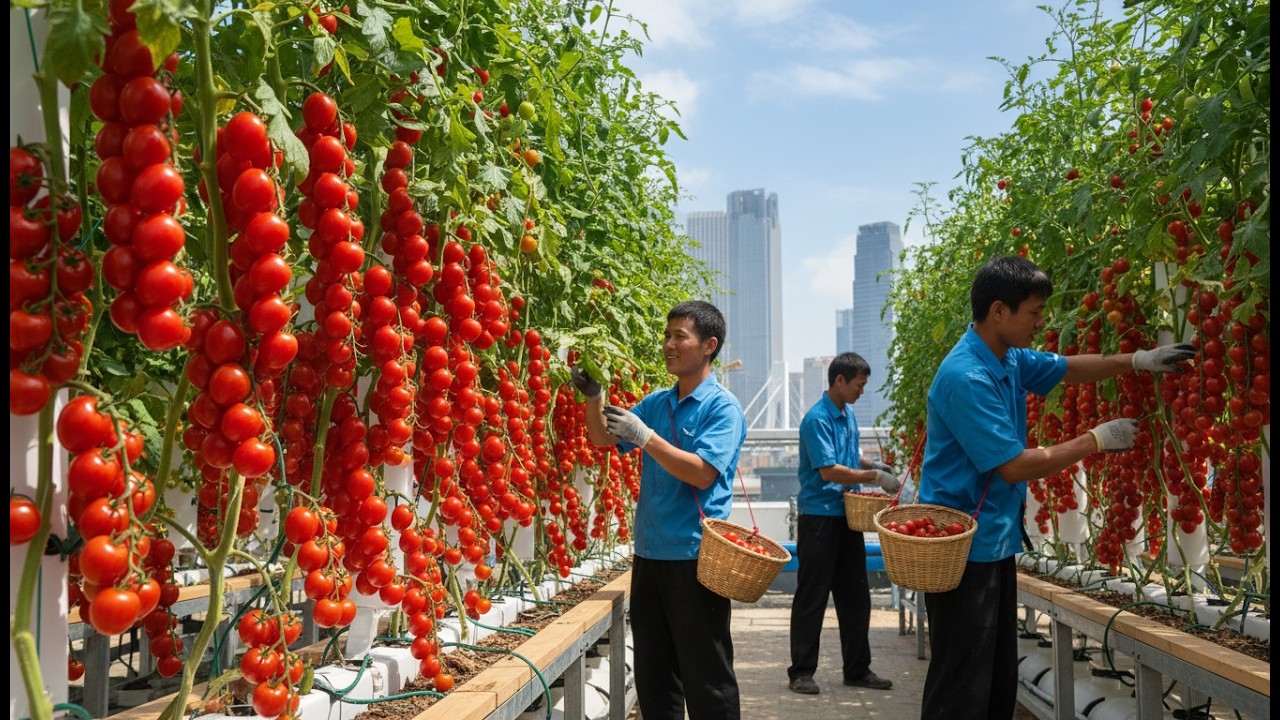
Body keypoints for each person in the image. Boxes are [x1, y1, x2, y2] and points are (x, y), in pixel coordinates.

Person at [918, 255, 1195, 720]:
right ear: (999, 311)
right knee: (962, 686)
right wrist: (1096, 439)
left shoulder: (1005, 358)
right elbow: (1013, 466)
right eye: (1035, 312)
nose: (1043, 323)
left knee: (994, 680)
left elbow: (1067, 368)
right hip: (963, 554)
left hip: (992, 543)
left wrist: (1138, 361)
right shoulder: (967, 376)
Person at [571, 300, 747, 720]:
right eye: (666, 335)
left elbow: (702, 473)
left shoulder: (722, 408)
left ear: (709, 345)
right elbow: (602, 439)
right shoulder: (657, 402)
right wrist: (594, 398)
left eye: (679, 337)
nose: (668, 344)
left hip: (695, 559)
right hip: (649, 557)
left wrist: (647, 438)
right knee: (655, 678)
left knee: (707, 677)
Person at [787, 352, 902, 695]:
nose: (861, 391)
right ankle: (801, 672)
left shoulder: (847, 414)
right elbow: (829, 470)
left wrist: (875, 464)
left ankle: (857, 669)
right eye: (859, 384)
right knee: (813, 596)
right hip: (820, 518)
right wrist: (874, 476)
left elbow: (848, 458)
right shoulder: (817, 419)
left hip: (847, 518)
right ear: (839, 380)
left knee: (856, 597)